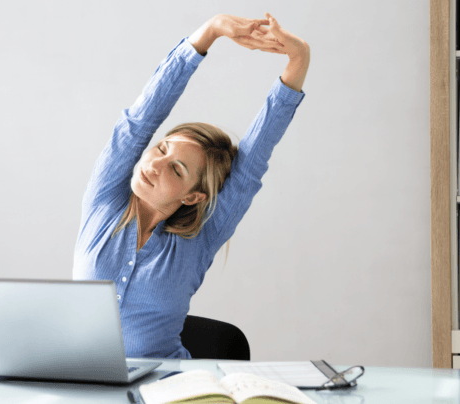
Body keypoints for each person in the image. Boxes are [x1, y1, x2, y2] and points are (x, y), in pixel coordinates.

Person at [73, 13, 309, 359]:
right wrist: (209, 32)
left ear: (194, 196)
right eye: (162, 148)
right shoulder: (105, 201)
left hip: (168, 389)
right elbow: (141, 119)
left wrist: (299, 57)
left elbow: (251, 164)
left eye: (177, 169)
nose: (154, 163)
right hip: (81, 386)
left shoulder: (201, 239)